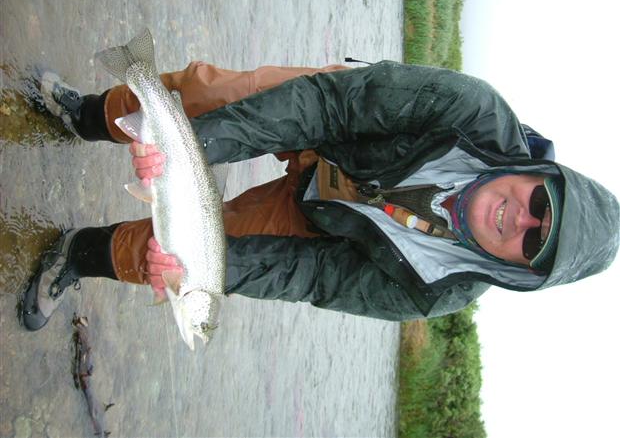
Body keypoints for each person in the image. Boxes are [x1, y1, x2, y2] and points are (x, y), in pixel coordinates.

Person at [20, 60, 620, 331]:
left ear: (520, 271)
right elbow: (327, 105)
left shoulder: (437, 291)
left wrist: (195, 273)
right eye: (541, 203)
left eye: (533, 243)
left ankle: (79, 254)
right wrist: (190, 147)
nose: (521, 219)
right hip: (335, 114)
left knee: (185, 257)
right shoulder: (473, 110)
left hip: (325, 222)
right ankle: (87, 114)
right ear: (543, 175)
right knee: (206, 96)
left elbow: (309, 279)